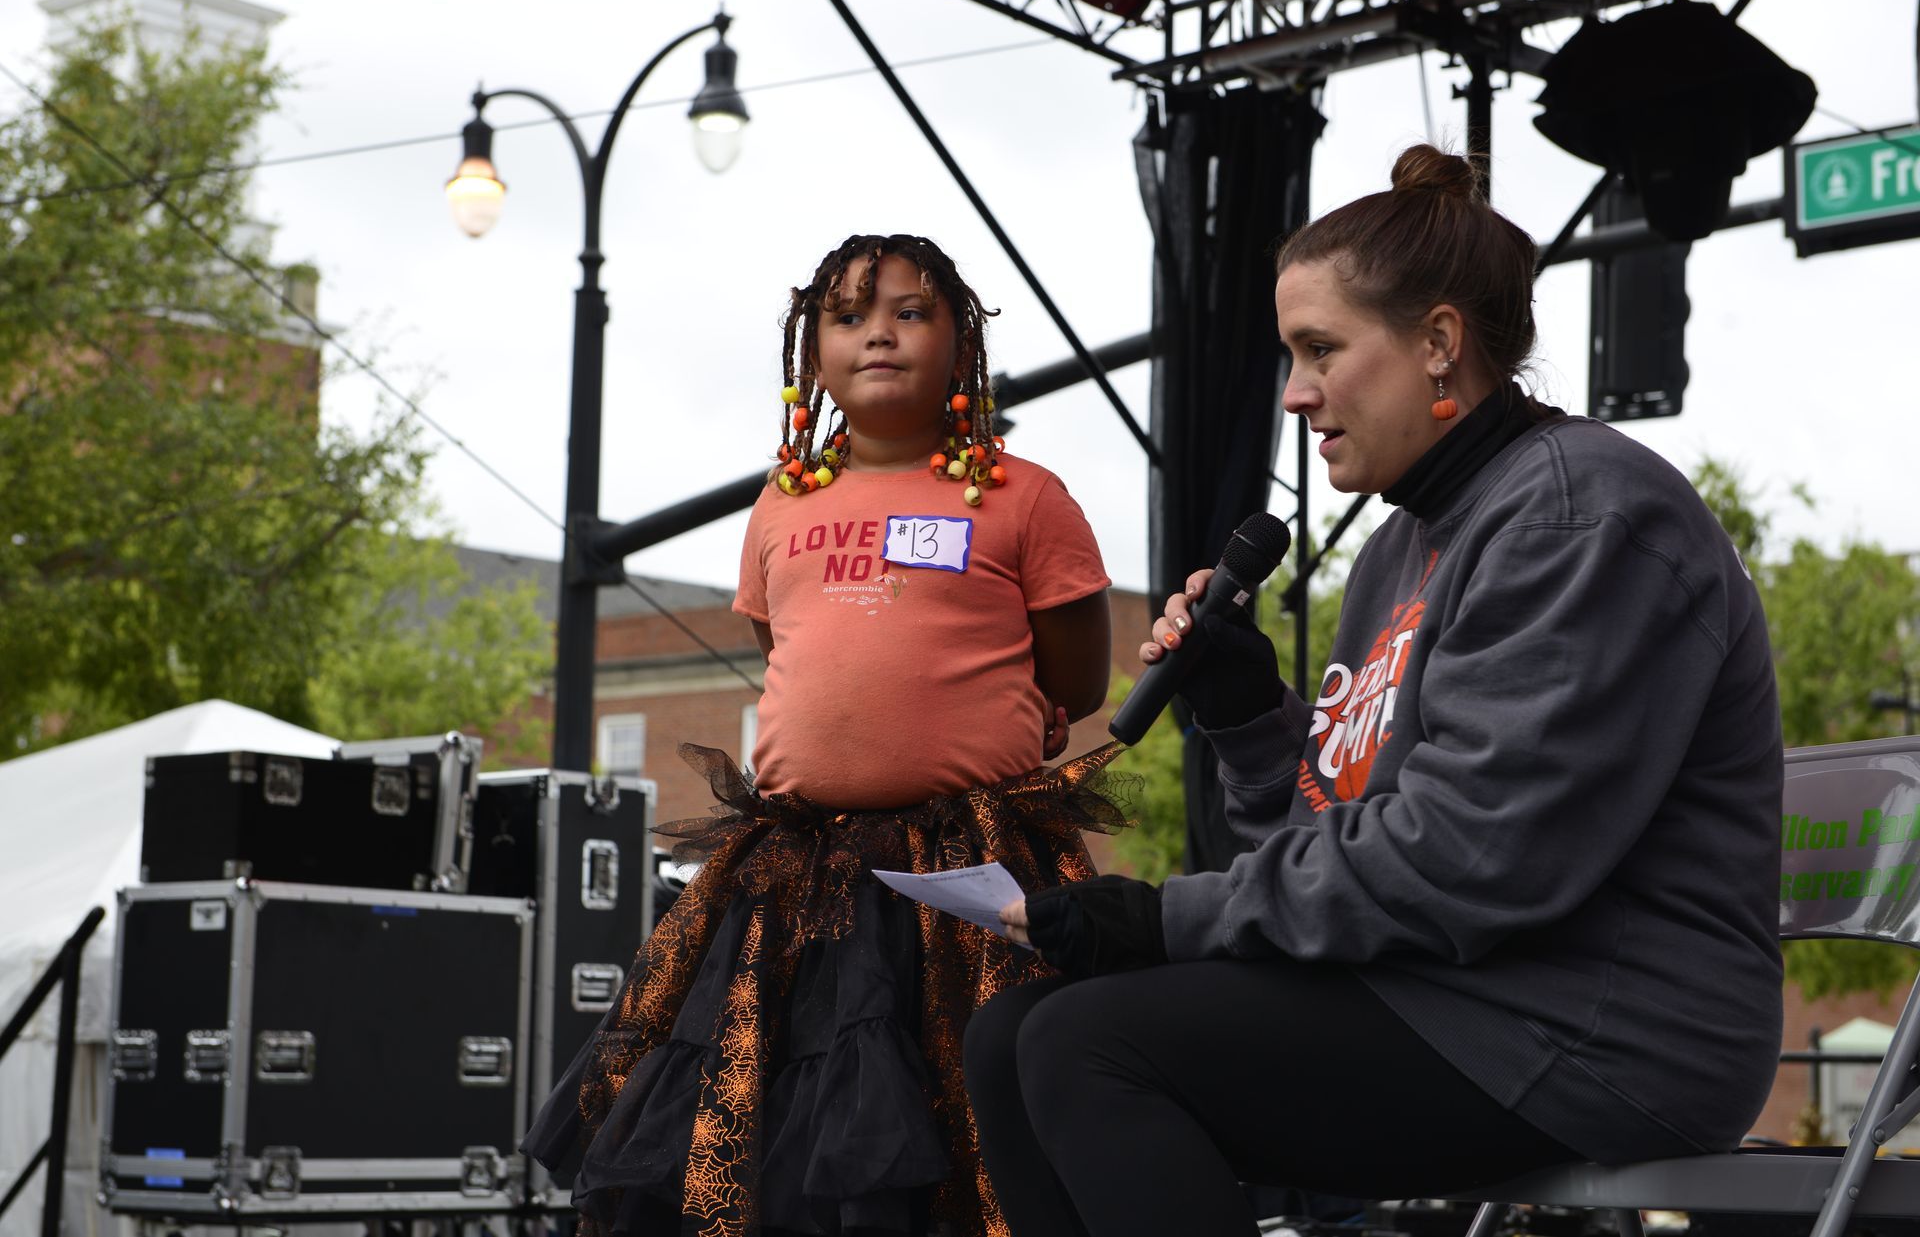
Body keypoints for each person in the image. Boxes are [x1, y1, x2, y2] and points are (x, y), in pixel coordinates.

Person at [961, 145, 1785, 1237]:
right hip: (1456, 990)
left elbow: (1469, 862)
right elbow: (1330, 842)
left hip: (1606, 1032)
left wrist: (1167, 920)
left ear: (1439, 343)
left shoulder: (1581, 516)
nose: (1296, 394)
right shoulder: (1405, 546)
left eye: (1320, 350)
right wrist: (1251, 717)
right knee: (1010, 1034)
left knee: (1089, 1044)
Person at [523, 233, 1127, 1237]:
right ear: (811, 359)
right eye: (847, 317)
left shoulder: (1028, 497)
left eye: (908, 312)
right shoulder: (780, 505)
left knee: (972, 1127)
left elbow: (1077, 676)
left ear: (961, 342)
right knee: (778, 1135)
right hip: (801, 873)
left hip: (966, 869)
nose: (877, 335)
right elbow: (789, 649)